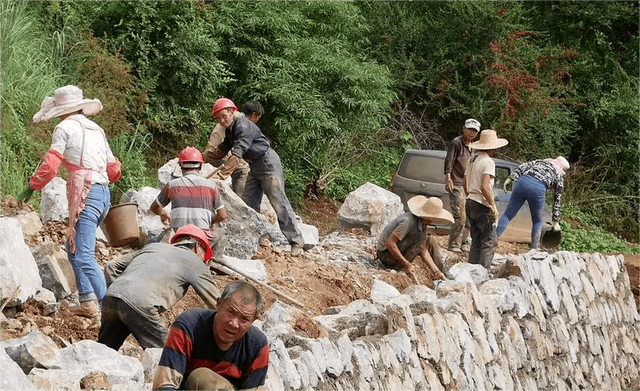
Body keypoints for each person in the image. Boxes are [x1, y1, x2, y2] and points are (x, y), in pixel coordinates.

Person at [17, 85, 122, 318]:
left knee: (84, 255)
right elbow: (114, 170)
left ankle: (111, 312)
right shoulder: (97, 129)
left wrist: (32, 186)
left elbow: (51, 164)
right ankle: (86, 302)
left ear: (61, 109)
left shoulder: (64, 127)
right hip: (103, 195)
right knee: (73, 247)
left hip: (86, 194)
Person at [98, 225, 221, 351]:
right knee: (171, 353)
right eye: (204, 254)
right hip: (141, 304)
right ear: (197, 246)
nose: (203, 260)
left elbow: (111, 266)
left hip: (111, 297)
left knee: (105, 350)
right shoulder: (194, 262)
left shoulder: (152, 247)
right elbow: (218, 303)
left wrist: (120, 292)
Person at [208, 97, 305, 256]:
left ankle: (296, 241)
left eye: (224, 116)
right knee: (248, 202)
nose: (223, 120)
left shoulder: (243, 126)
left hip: (268, 164)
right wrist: (202, 158)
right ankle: (254, 238)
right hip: (254, 165)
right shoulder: (231, 129)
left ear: (232, 112)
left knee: (278, 200)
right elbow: (223, 148)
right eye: (219, 118)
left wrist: (220, 175)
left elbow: (237, 154)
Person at [153, 281, 269, 391]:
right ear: (218, 304)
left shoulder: (257, 345)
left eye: (244, 319)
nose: (234, 324)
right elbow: (164, 385)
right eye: (230, 312)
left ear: (253, 320)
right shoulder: (189, 326)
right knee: (202, 379)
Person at [150, 146, 227, 258]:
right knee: (221, 234)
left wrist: (163, 214)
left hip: (178, 235)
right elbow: (222, 216)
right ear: (200, 165)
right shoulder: (211, 186)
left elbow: (154, 208)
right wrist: (210, 221)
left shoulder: (171, 185)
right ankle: (212, 260)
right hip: (201, 235)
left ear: (181, 165)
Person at [496, 156, 569, 249]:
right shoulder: (559, 176)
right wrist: (555, 221)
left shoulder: (539, 162)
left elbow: (523, 166)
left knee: (508, 214)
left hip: (522, 183)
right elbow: (557, 200)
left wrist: (511, 178)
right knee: (537, 221)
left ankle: (494, 239)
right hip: (538, 189)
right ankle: (533, 249)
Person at [376, 196, 455, 280]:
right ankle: (399, 267)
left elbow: (423, 249)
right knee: (419, 240)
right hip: (386, 255)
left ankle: (442, 272)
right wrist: (406, 264)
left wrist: (435, 271)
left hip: (394, 251)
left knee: (430, 240)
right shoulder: (407, 222)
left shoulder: (422, 224)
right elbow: (390, 243)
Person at [463, 129, 509, 268]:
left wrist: (469, 195)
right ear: (493, 147)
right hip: (481, 203)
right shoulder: (488, 162)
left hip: (470, 200)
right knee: (489, 240)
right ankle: (483, 271)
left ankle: (472, 270)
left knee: (476, 240)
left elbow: (465, 182)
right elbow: (485, 186)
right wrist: (492, 205)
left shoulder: (472, 159)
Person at [203, 102, 265, 197]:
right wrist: (222, 173)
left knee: (242, 166)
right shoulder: (238, 121)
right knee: (244, 171)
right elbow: (234, 150)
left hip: (215, 153)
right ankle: (241, 201)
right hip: (217, 155)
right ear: (254, 115)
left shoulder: (235, 120)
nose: (222, 120)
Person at [444, 118, 480, 253]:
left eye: (474, 131)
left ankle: (465, 242)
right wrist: (448, 177)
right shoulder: (457, 143)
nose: (471, 133)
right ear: (463, 129)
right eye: (469, 129)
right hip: (457, 181)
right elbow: (450, 161)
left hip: (470, 184)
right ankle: (454, 244)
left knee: (470, 215)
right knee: (460, 216)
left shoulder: (475, 146)